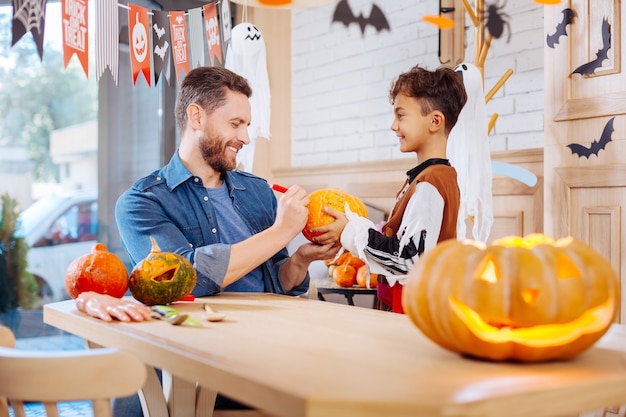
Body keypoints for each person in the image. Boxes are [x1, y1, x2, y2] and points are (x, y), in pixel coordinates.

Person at [108, 66, 340, 415]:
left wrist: (300, 260)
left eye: (246, 125)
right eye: (236, 124)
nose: (246, 137)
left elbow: (274, 282)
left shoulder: (258, 191)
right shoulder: (142, 202)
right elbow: (184, 276)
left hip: (258, 361)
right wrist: (280, 232)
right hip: (179, 375)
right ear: (196, 116)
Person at [311, 64, 467, 314]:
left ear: (435, 121)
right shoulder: (424, 178)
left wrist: (351, 231)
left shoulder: (431, 183)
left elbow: (408, 260)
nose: (393, 126)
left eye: (401, 115)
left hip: (413, 312)